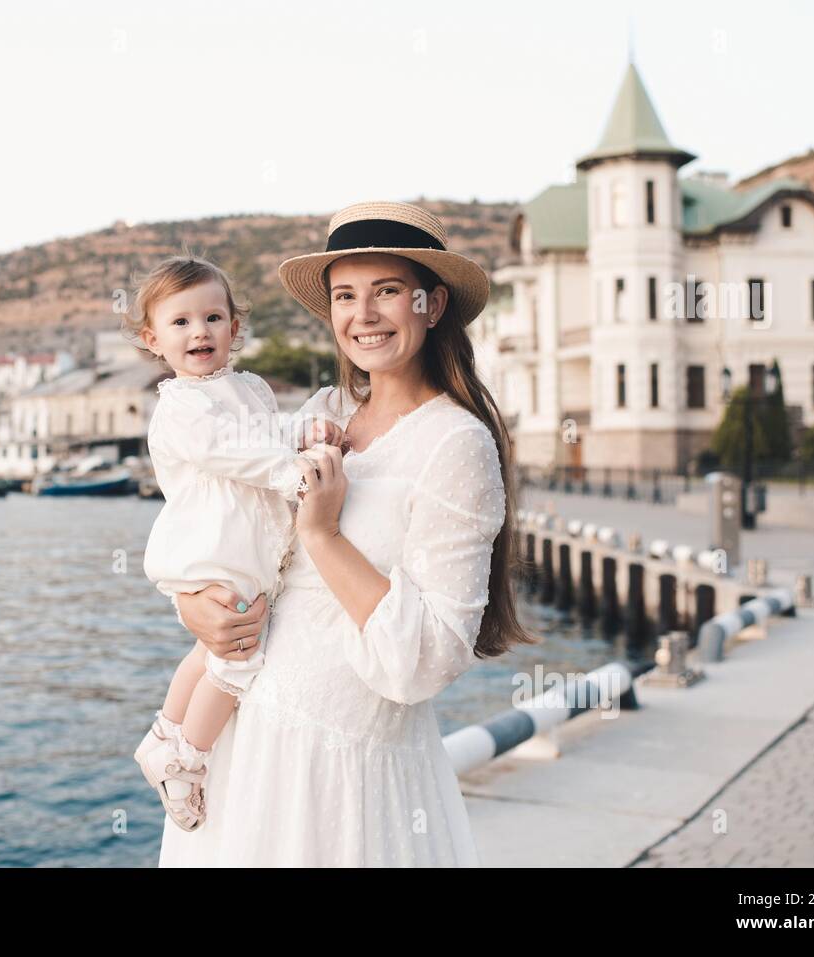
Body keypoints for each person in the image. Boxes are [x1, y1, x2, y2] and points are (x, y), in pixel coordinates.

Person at [158, 201, 537, 866]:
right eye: (345, 296)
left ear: (432, 302)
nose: (362, 315)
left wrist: (328, 537)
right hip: (242, 755)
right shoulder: (322, 412)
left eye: (387, 291)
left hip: (341, 785)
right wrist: (194, 605)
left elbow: (428, 660)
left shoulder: (455, 442)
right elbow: (227, 527)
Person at [125, 252, 345, 831]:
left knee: (210, 651)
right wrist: (290, 471)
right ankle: (187, 760)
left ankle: (163, 735)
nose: (199, 331)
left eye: (213, 318)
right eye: (180, 323)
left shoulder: (248, 387)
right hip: (215, 545)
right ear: (153, 339)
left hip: (252, 544)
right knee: (239, 655)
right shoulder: (180, 407)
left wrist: (305, 430)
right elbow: (229, 450)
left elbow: (267, 433)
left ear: (234, 327)